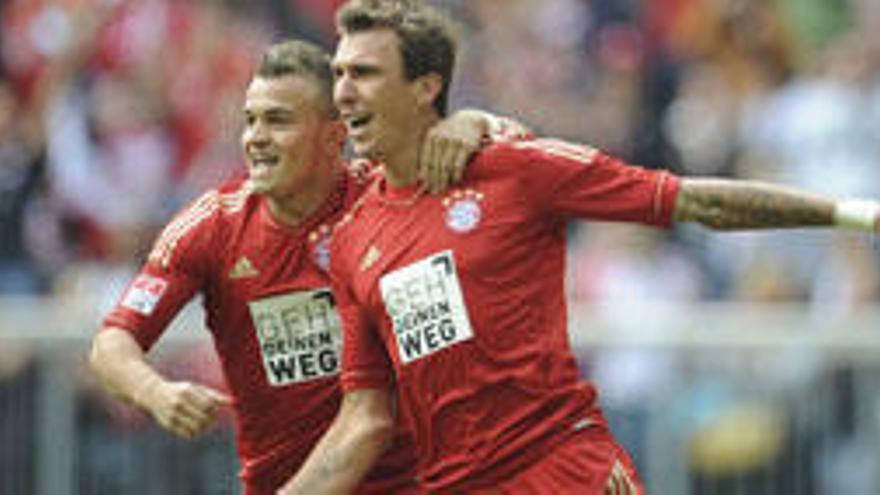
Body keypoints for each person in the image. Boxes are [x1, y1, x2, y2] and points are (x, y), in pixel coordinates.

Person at [283, 1, 880, 494]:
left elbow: (695, 201)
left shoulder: (513, 169)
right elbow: (363, 420)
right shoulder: (355, 235)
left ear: (425, 87)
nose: (342, 93)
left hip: (564, 474)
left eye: (363, 74)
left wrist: (853, 213)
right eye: (338, 74)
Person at [88, 38, 522, 495]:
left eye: (278, 121)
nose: (256, 137)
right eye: (250, 120)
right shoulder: (214, 226)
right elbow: (111, 342)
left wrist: (477, 122)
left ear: (335, 137)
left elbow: (526, 158)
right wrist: (156, 393)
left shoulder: (396, 199)